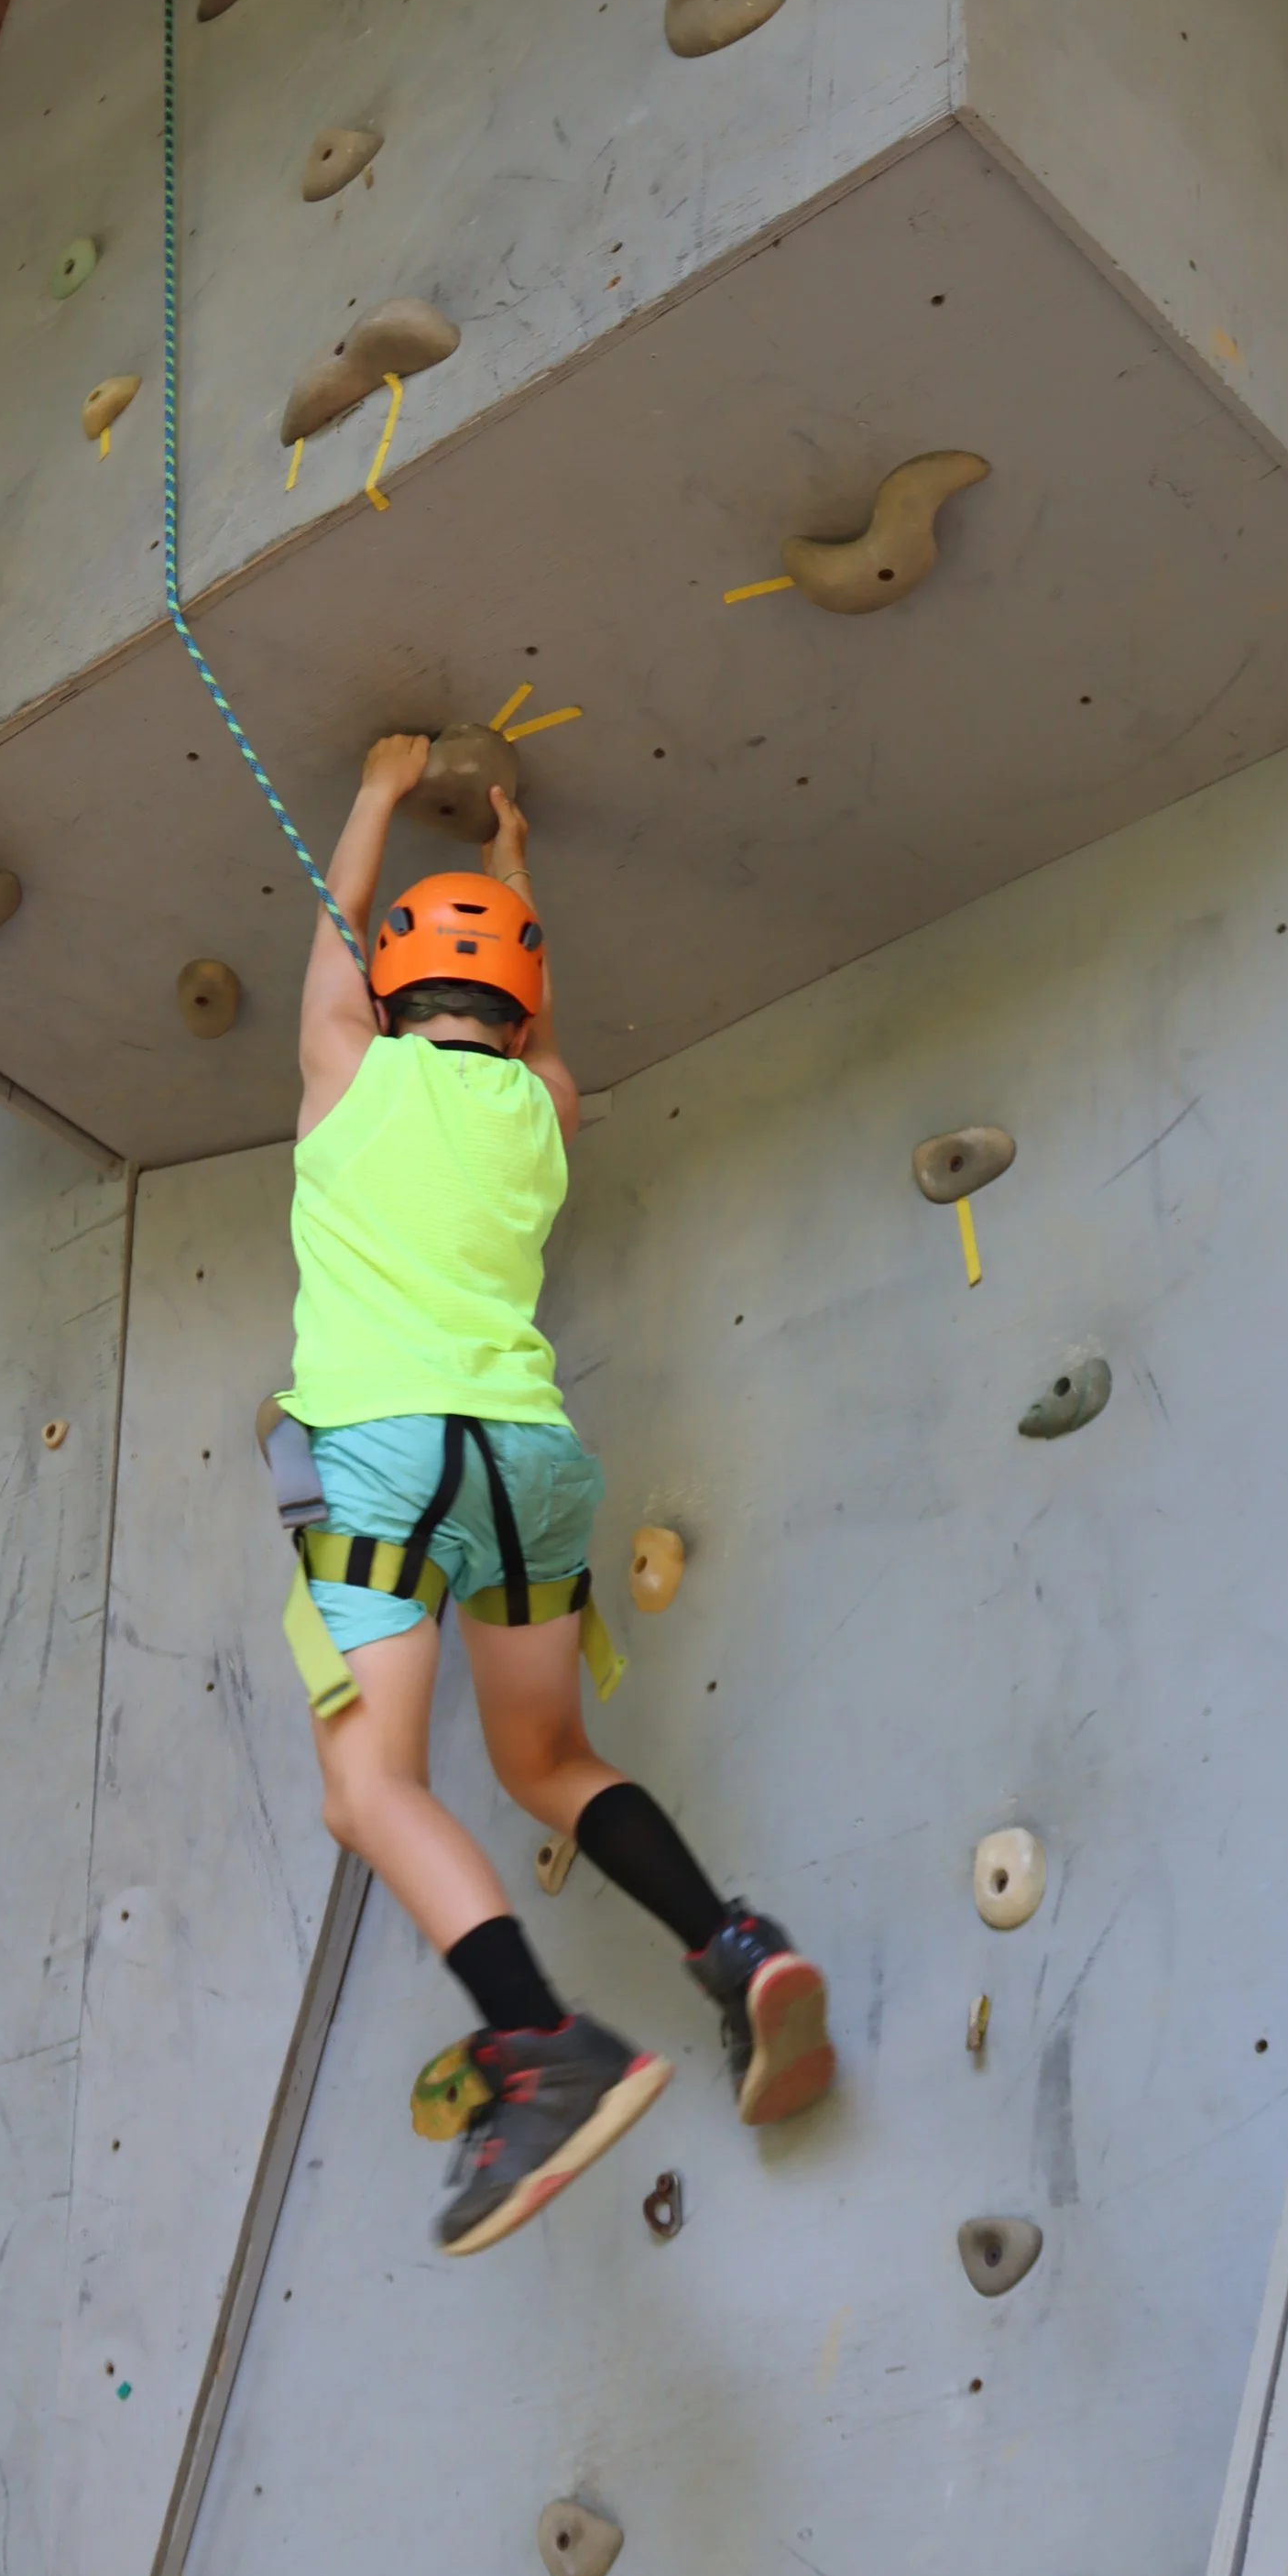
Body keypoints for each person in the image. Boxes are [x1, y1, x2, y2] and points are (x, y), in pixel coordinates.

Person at [280, 732, 834, 2257]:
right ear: (522, 1007)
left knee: (368, 1785)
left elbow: (332, 951)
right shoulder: (548, 1108)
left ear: (391, 992)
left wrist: (381, 791)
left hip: (388, 1453)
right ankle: (732, 1944)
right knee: (546, 1754)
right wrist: (514, 854)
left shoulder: (347, 1069)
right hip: (530, 1460)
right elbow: (537, 1017)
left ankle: (538, 2047)